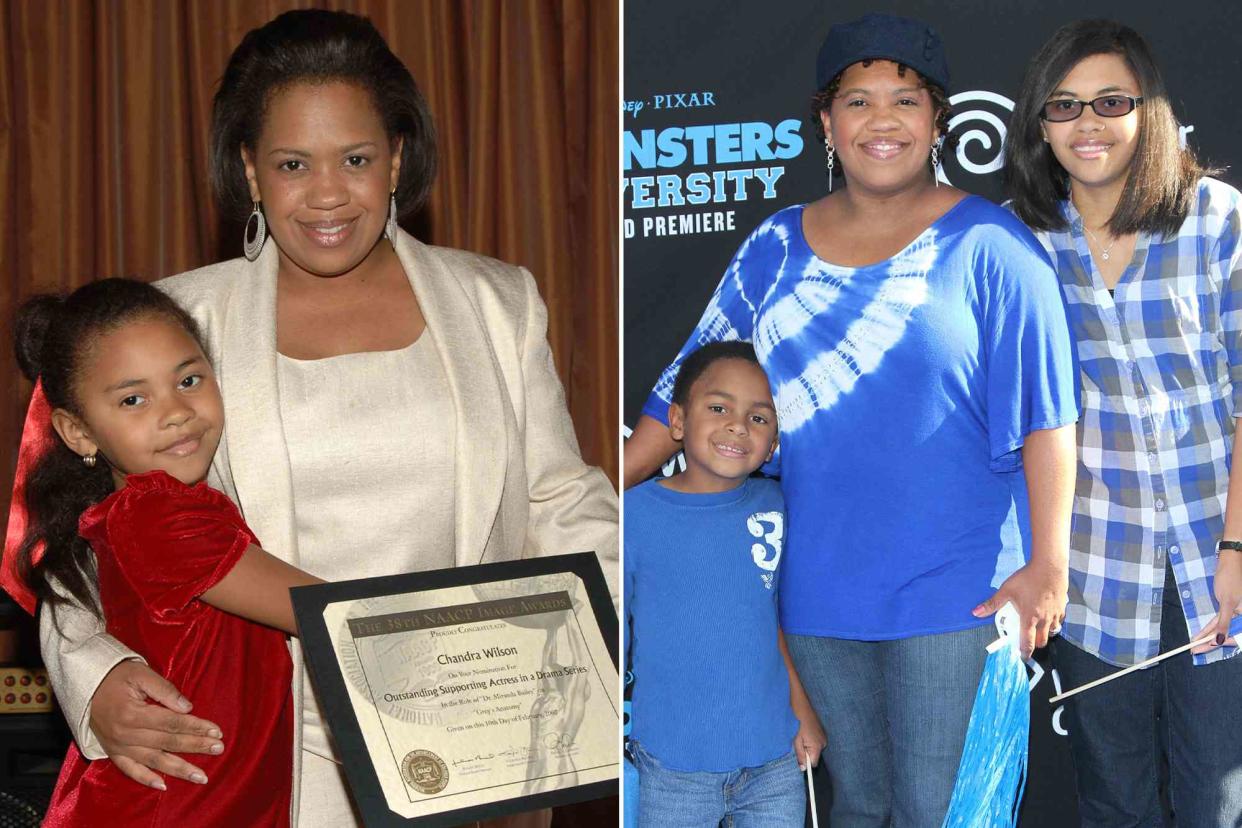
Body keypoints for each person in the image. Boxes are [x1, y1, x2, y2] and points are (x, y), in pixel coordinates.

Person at [34, 10, 617, 827]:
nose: (328, 194)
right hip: (260, 752)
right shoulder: (172, 321)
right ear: (249, 170)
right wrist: (91, 675)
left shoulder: (497, 301)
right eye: (292, 164)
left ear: (397, 160)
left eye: (355, 158)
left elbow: (562, 504)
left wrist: (622, 646)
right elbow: (76, 519)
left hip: (474, 735)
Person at [623, 13, 1080, 826]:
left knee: (939, 812)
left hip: (955, 593)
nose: (882, 121)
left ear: (938, 120)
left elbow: (1050, 415)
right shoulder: (773, 247)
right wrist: (603, 486)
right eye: (858, 100)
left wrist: (1048, 563)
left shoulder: (992, 247)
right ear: (827, 123)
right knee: (860, 807)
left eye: (904, 100)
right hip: (816, 591)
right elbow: (682, 391)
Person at [1004, 19, 1242, 825]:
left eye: (1111, 100)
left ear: (1152, 110)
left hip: (1220, 563)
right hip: (1098, 575)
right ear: (1039, 124)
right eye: (1064, 106)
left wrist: (1238, 550)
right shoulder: (1022, 244)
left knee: (1217, 801)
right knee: (1115, 803)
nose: (1087, 124)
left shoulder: (1216, 220)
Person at [8, 279, 322, 825]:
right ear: (77, 433)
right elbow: (323, 608)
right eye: (134, 399)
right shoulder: (156, 519)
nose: (176, 411)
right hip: (166, 810)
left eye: (189, 379)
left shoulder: (162, 509)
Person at [624, 341, 825, 828]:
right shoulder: (632, 515)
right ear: (677, 421)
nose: (738, 425)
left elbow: (766, 621)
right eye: (718, 408)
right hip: (673, 769)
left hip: (772, 761)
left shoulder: (774, 506)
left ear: (773, 442)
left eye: (759, 418)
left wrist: (803, 712)